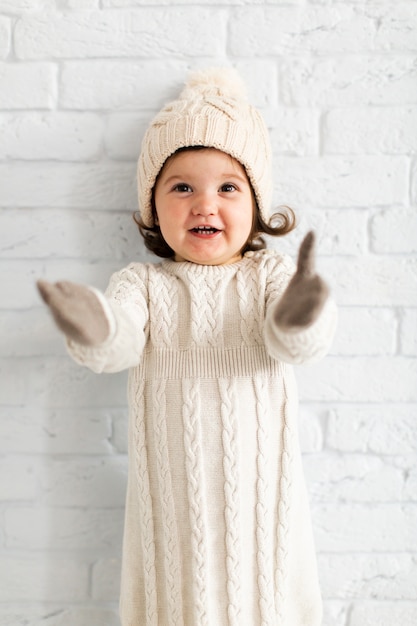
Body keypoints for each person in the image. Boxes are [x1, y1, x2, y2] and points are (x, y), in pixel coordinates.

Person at [38, 67, 337, 626]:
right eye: (182, 187)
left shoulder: (268, 277)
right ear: (153, 205)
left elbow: (293, 341)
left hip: (261, 508)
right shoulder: (143, 285)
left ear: (255, 203)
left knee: (265, 603)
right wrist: (94, 325)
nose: (205, 204)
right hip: (171, 514)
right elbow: (120, 341)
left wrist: (302, 313)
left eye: (228, 187)